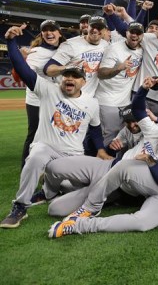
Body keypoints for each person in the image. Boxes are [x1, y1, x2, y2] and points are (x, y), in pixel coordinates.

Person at [1, 24, 105, 229]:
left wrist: (100, 149)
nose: (70, 79)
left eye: (75, 77)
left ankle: (49, 191)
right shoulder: (48, 90)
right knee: (37, 155)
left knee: (84, 187)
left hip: (73, 155)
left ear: (83, 82)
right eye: (67, 75)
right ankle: (20, 206)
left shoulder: (92, 103)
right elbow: (22, 70)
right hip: (47, 148)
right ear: (61, 79)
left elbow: (95, 129)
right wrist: (11, 41)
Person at [45, 77, 158, 221]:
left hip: (118, 186)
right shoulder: (155, 132)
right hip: (107, 166)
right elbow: (138, 110)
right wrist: (144, 89)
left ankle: (84, 195)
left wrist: (150, 160)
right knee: (54, 166)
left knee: (55, 208)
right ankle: (56, 190)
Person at [18, 19, 67, 168]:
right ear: (41, 34)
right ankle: (26, 169)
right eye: (45, 30)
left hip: (58, 100)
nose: (49, 32)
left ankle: (51, 169)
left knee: (58, 136)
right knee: (34, 135)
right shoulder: (36, 52)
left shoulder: (65, 50)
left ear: (59, 33)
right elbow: (27, 77)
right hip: (37, 102)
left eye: (52, 29)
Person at [95, 21, 144, 145]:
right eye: (132, 32)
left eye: (138, 33)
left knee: (122, 137)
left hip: (125, 101)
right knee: (109, 136)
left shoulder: (142, 49)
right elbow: (101, 73)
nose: (134, 35)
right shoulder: (114, 49)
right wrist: (119, 68)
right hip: (107, 101)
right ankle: (102, 162)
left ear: (142, 36)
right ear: (126, 33)